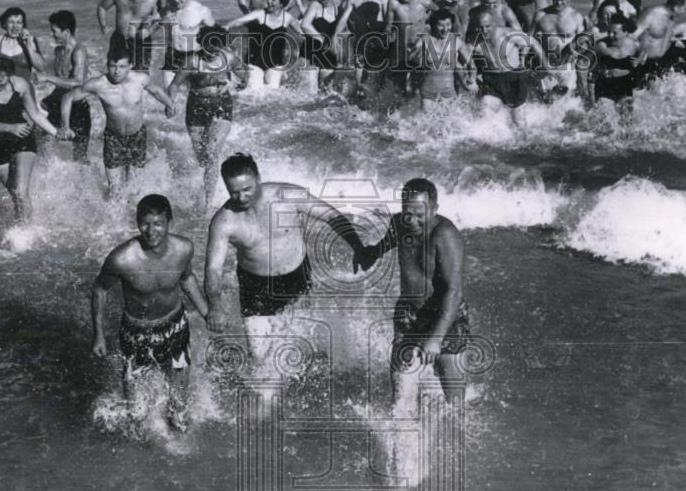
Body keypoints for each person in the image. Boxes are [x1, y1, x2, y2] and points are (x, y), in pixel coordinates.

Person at [203, 153, 366, 373]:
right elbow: (213, 268)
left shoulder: (285, 196)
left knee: (304, 344)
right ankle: (267, 399)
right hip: (255, 287)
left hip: (296, 278)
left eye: (247, 189)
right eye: (234, 192)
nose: (242, 198)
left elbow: (330, 215)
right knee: (260, 358)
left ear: (258, 178)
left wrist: (357, 247)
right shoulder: (224, 221)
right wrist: (214, 305)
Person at [91, 194, 210, 430]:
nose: (151, 230)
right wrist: (99, 335)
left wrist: (208, 314)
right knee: (136, 415)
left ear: (169, 222)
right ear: (137, 223)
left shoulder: (184, 248)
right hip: (136, 333)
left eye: (158, 223)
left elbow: (187, 278)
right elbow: (99, 290)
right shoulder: (122, 259)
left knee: (178, 414)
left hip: (175, 329)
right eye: (144, 223)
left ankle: (181, 460)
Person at [358, 178, 473, 403]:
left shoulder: (445, 234)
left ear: (435, 209)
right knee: (400, 395)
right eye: (407, 213)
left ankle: (452, 432)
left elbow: (454, 291)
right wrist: (370, 253)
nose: (412, 221)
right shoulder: (399, 223)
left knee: (454, 401)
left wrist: (436, 339)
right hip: (409, 314)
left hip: (445, 316)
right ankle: (402, 433)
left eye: (420, 214)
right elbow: (387, 242)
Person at [59, 47, 177, 195]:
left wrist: (170, 104)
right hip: (113, 138)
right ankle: (114, 218)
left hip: (137, 136)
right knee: (115, 189)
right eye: (112, 66)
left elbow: (156, 91)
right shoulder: (99, 84)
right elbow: (67, 97)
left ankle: (131, 216)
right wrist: (65, 125)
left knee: (135, 187)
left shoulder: (140, 79)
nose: (116, 71)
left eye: (121, 67)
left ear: (130, 65)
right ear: (107, 65)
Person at [0, 55, 59, 222]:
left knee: (20, 190)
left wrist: (57, 133)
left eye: (0, 81)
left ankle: (25, 234)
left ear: (9, 74)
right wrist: (10, 127)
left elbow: (35, 114)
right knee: (15, 193)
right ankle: (23, 229)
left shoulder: (20, 84)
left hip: (22, 139)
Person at [169, 25, 241, 210]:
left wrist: (234, 83)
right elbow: (175, 84)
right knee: (202, 157)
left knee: (211, 153)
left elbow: (244, 76)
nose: (211, 52)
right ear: (201, 43)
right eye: (208, 48)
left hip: (221, 106)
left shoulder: (229, 58)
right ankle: (209, 178)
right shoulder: (192, 61)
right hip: (196, 108)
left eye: (216, 49)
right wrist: (170, 103)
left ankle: (208, 204)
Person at [35, 10, 91, 164]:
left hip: (77, 107)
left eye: (54, 31)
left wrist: (47, 78)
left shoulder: (79, 51)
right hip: (56, 104)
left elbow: (78, 81)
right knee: (43, 144)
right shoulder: (58, 50)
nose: (52, 34)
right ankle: (47, 180)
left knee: (80, 157)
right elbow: (60, 80)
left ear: (66, 31)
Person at [466, 6, 543, 112]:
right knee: (485, 108)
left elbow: (533, 42)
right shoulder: (474, 41)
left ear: (494, 23)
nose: (484, 31)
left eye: (487, 26)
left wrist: (548, 66)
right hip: (492, 80)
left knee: (518, 120)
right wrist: (472, 79)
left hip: (514, 78)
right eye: (480, 27)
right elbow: (467, 60)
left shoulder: (507, 34)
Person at [225, 0, 303, 89]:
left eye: (273, 0)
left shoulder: (287, 18)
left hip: (275, 62)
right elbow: (240, 21)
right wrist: (227, 26)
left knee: (272, 92)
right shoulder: (260, 14)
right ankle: (244, 81)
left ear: (281, 3)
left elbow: (302, 32)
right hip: (255, 61)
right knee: (254, 92)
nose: (269, 2)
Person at [409, 9, 478, 107]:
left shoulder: (457, 42)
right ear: (433, 25)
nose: (445, 29)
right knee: (427, 122)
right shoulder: (423, 41)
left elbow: (472, 65)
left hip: (448, 92)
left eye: (448, 24)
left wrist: (473, 80)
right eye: (441, 25)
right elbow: (411, 63)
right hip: (428, 93)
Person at [335, 0, 390, 87]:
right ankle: (357, 100)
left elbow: (388, 21)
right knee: (359, 81)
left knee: (378, 81)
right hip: (360, 40)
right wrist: (335, 36)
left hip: (378, 41)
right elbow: (344, 18)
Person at [96, 0, 161, 72]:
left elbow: (159, 21)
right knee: (114, 72)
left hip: (141, 42)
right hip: (119, 39)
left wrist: (149, 31)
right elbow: (102, 7)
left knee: (141, 74)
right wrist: (103, 26)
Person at [531, 0, 589, 98]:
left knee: (566, 103)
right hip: (546, 66)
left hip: (567, 67)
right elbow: (528, 38)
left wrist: (577, 52)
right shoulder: (541, 15)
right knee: (546, 103)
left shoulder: (576, 17)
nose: (559, 2)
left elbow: (584, 43)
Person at [386, 0, 437, 96]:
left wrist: (428, 27)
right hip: (400, 49)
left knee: (417, 86)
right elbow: (388, 26)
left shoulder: (423, 2)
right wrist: (389, 35)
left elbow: (440, 15)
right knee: (398, 87)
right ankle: (398, 111)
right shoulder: (393, 3)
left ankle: (416, 111)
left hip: (418, 50)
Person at [631, 0, 686, 88]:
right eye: (685, 8)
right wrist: (639, 55)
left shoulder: (671, 17)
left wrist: (674, 40)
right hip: (643, 63)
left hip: (659, 62)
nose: (685, 12)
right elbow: (632, 36)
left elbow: (660, 35)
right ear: (676, 8)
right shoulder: (652, 14)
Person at [158, 0, 215, 74]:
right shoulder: (169, 4)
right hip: (172, 53)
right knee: (169, 88)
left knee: (192, 87)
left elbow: (215, 34)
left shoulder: (201, 11)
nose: (176, 0)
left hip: (192, 55)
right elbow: (158, 17)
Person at [300, 0, 343, 93]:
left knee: (327, 92)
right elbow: (305, 25)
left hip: (328, 55)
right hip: (310, 52)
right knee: (308, 93)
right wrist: (322, 40)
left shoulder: (339, 10)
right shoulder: (315, 5)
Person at [592, 14, 639, 106]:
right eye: (609, 31)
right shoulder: (601, 45)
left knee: (626, 116)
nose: (610, 35)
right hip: (605, 84)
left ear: (625, 32)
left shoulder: (634, 45)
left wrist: (638, 61)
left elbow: (645, 57)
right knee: (604, 115)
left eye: (615, 33)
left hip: (625, 84)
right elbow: (590, 68)